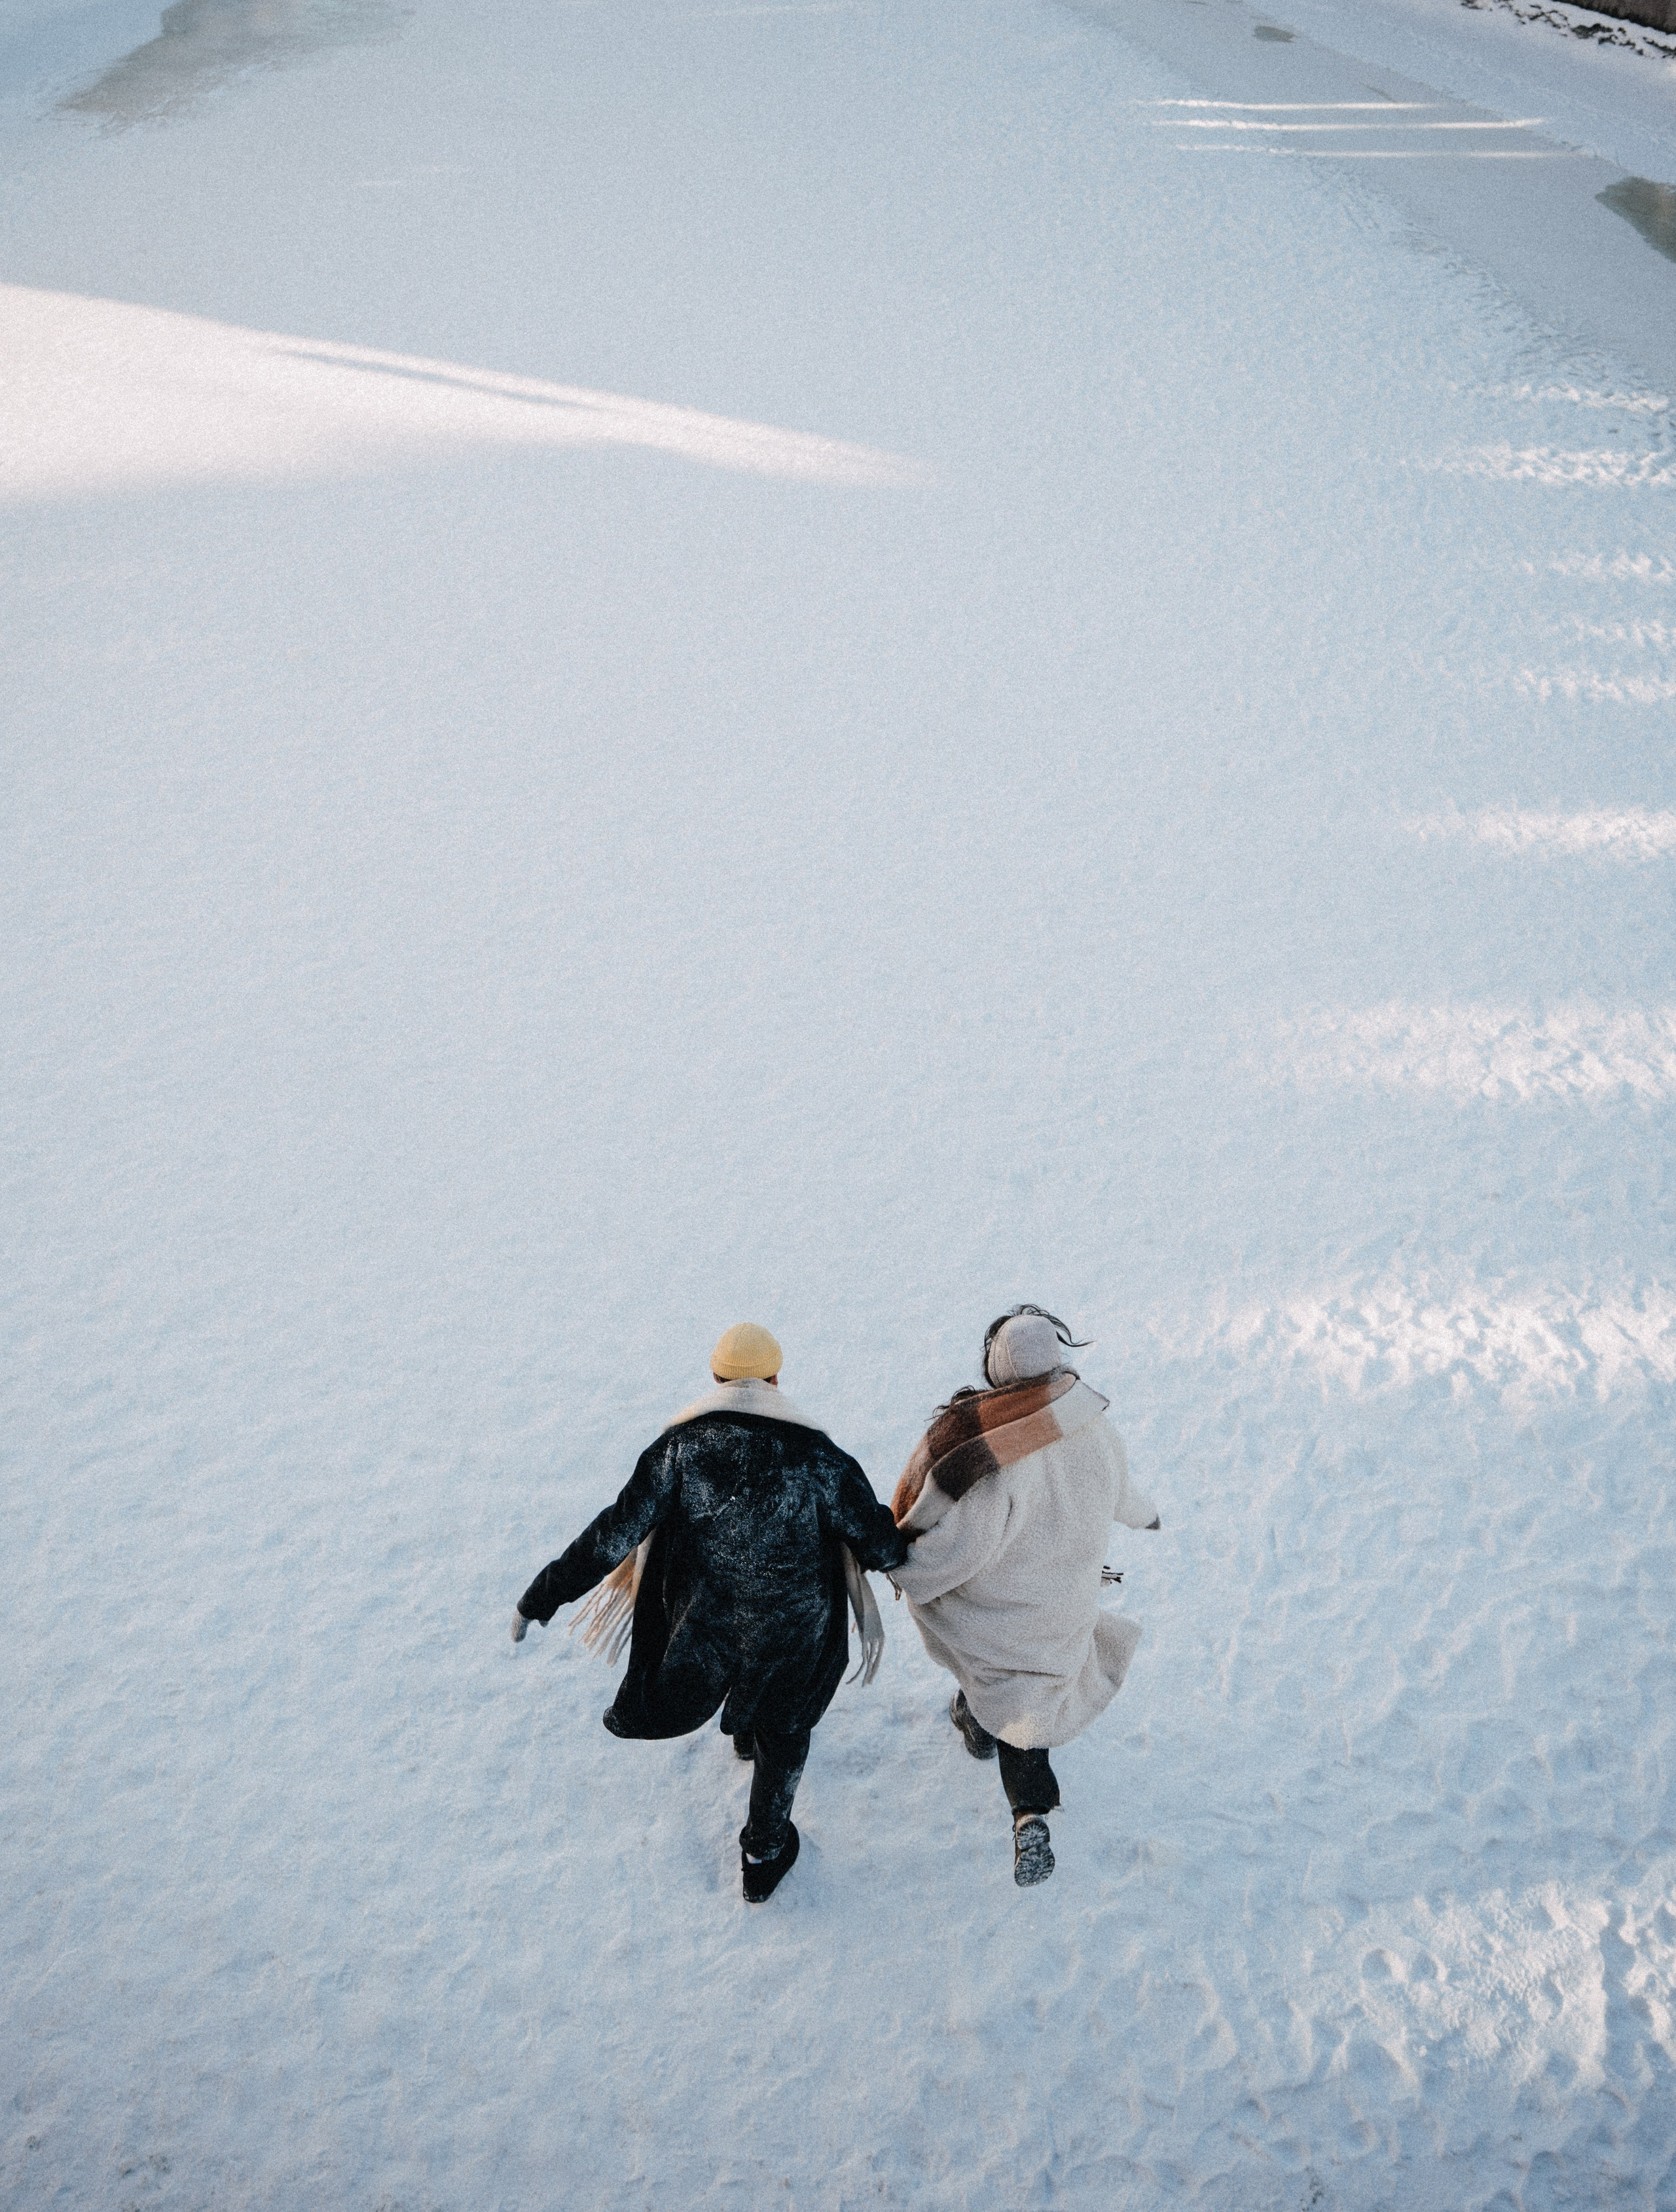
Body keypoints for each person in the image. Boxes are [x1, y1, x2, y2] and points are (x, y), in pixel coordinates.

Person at [510, 1322, 907, 1903]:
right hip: (795, 1635)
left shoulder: (679, 1449)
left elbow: (612, 1535)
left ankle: (744, 1734)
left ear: (716, 1379)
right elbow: (880, 1547)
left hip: (709, 1626)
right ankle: (764, 1852)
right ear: (775, 1379)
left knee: (737, 1672)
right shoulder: (820, 1459)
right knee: (786, 1727)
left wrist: (542, 1596)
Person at [888, 1306, 1159, 1887]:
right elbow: (1123, 1489)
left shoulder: (994, 1450)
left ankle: (1013, 1781)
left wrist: (909, 1570)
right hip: (1065, 1598)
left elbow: (961, 1550)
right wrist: (1147, 1516)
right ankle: (997, 1756)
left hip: (1003, 1607)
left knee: (1002, 1680)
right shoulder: (1089, 1421)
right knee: (1027, 1689)